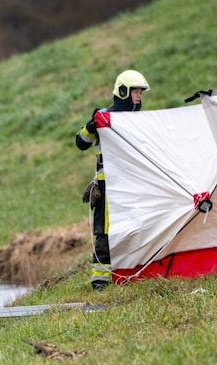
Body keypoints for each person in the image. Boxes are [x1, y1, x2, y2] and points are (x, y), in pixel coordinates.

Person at [75, 69, 149, 290]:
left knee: (136, 227)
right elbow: (80, 142)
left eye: (141, 93)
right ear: (124, 91)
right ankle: (100, 280)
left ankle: (134, 272)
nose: (139, 97)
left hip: (133, 183)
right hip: (107, 187)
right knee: (104, 232)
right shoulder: (103, 117)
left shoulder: (140, 120)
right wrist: (91, 125)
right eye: (136, 92)